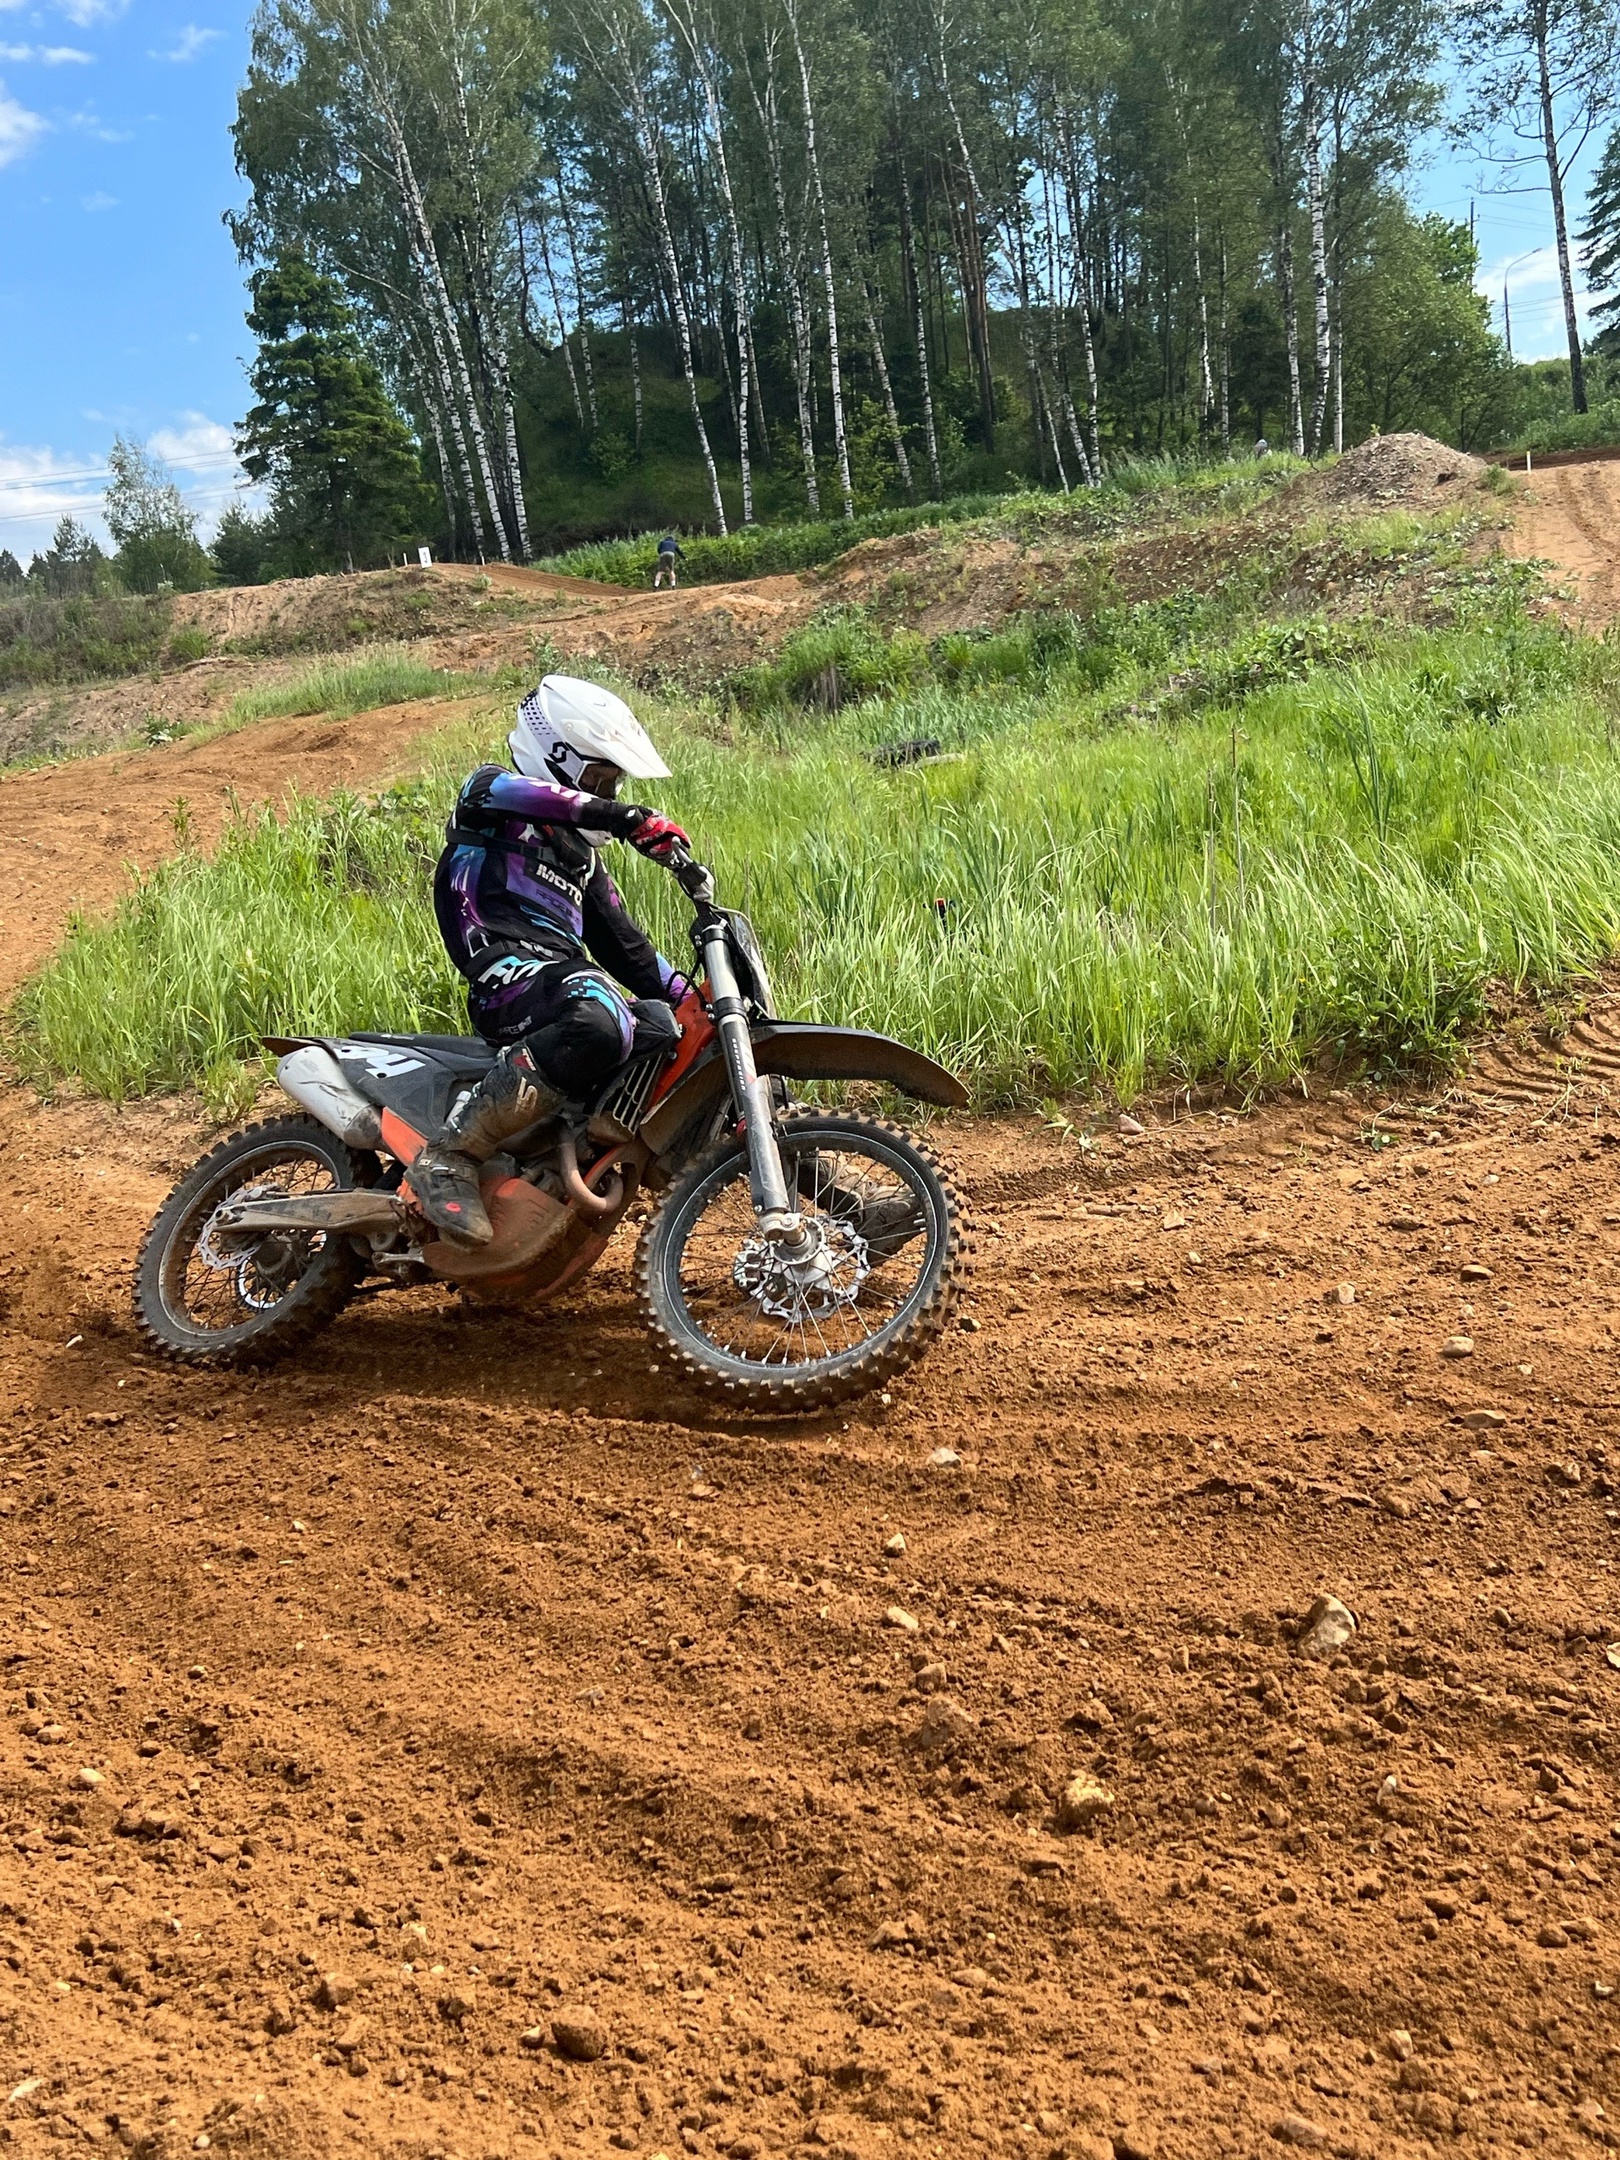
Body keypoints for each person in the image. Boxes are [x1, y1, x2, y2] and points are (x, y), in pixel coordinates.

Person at [414, 674, 691, 1246]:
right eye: (598, 778)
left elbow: (631, 952)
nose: (607, 792)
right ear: (555, 755)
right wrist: (624, 817)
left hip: (558, 983)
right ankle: (450, 1154)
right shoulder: (490, 794)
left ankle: (563, 1153)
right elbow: (536, 797)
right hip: (505, 975)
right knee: (599, 1011)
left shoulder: (582, 862)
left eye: (613, 783)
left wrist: (700, 998)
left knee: (666, 1026)